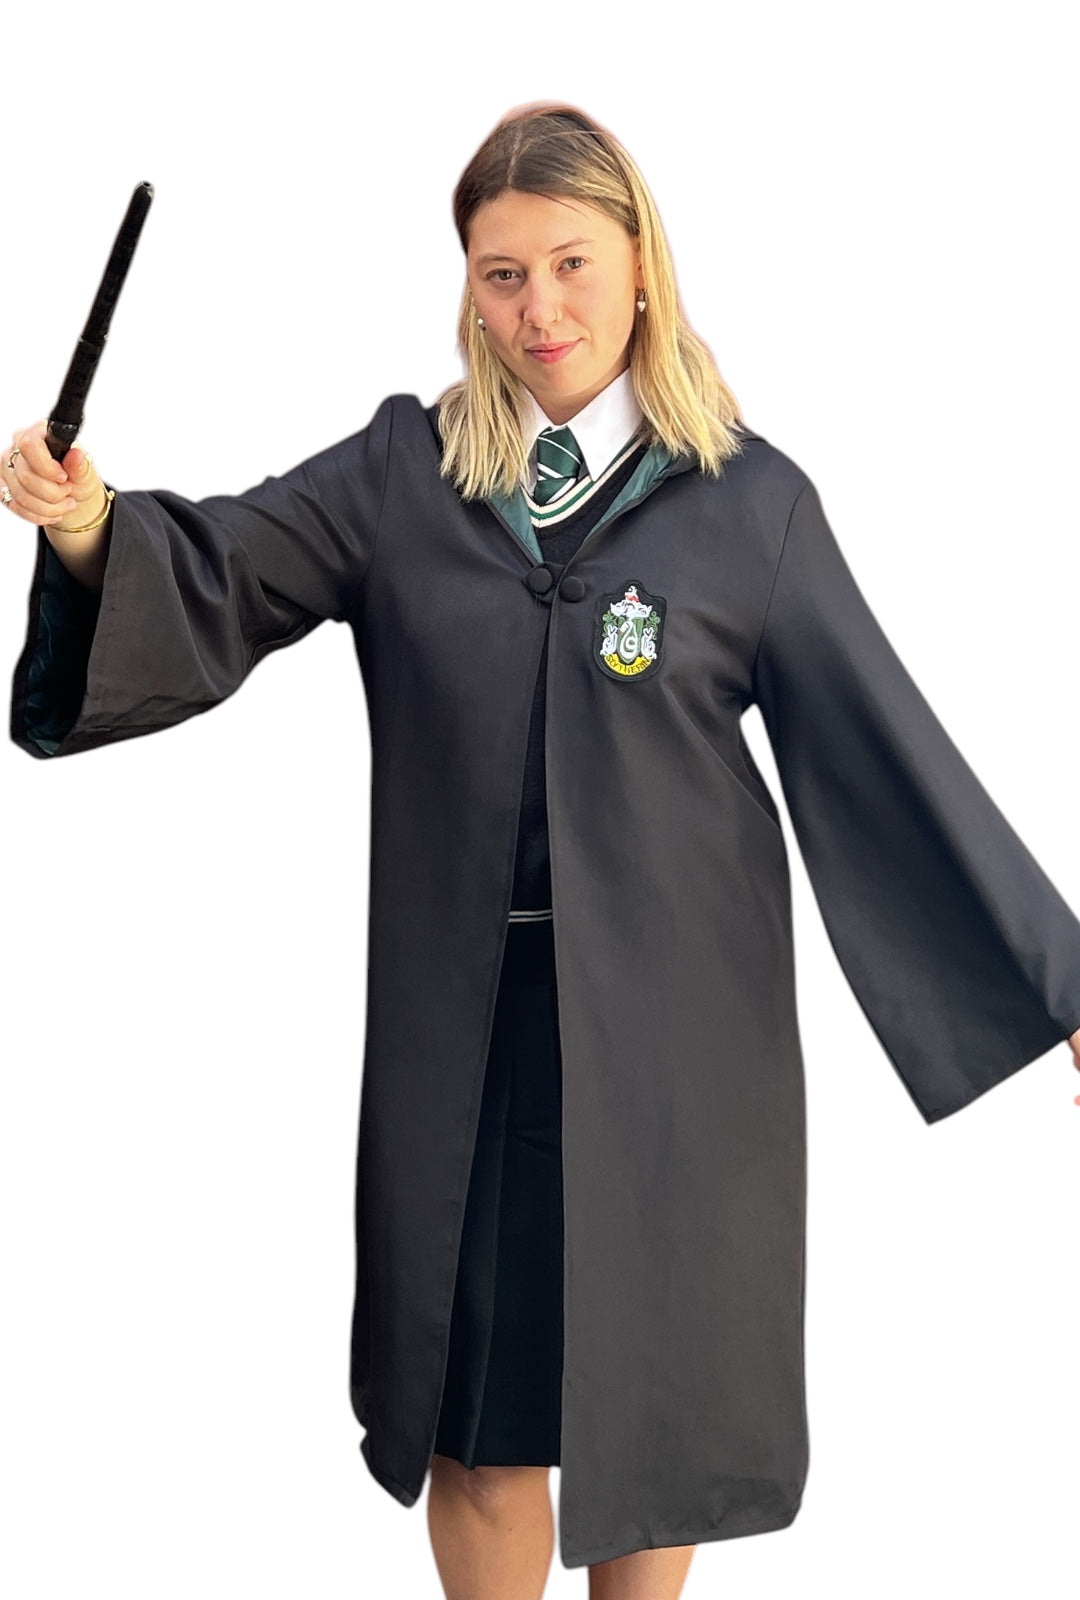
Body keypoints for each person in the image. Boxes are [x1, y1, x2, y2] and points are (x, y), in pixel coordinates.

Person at [6, 101, 1080, 1600]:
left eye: (572, 263)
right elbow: (226, 566)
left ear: (640, 264)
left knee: (654, 1423)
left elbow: (881, 753)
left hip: (682, 1050)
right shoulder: (410, 474)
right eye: (502, 274)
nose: (541, 310)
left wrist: (1055, 986)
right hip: (472, 1042)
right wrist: (86, 526)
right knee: (478, 1428)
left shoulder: (745, 504)